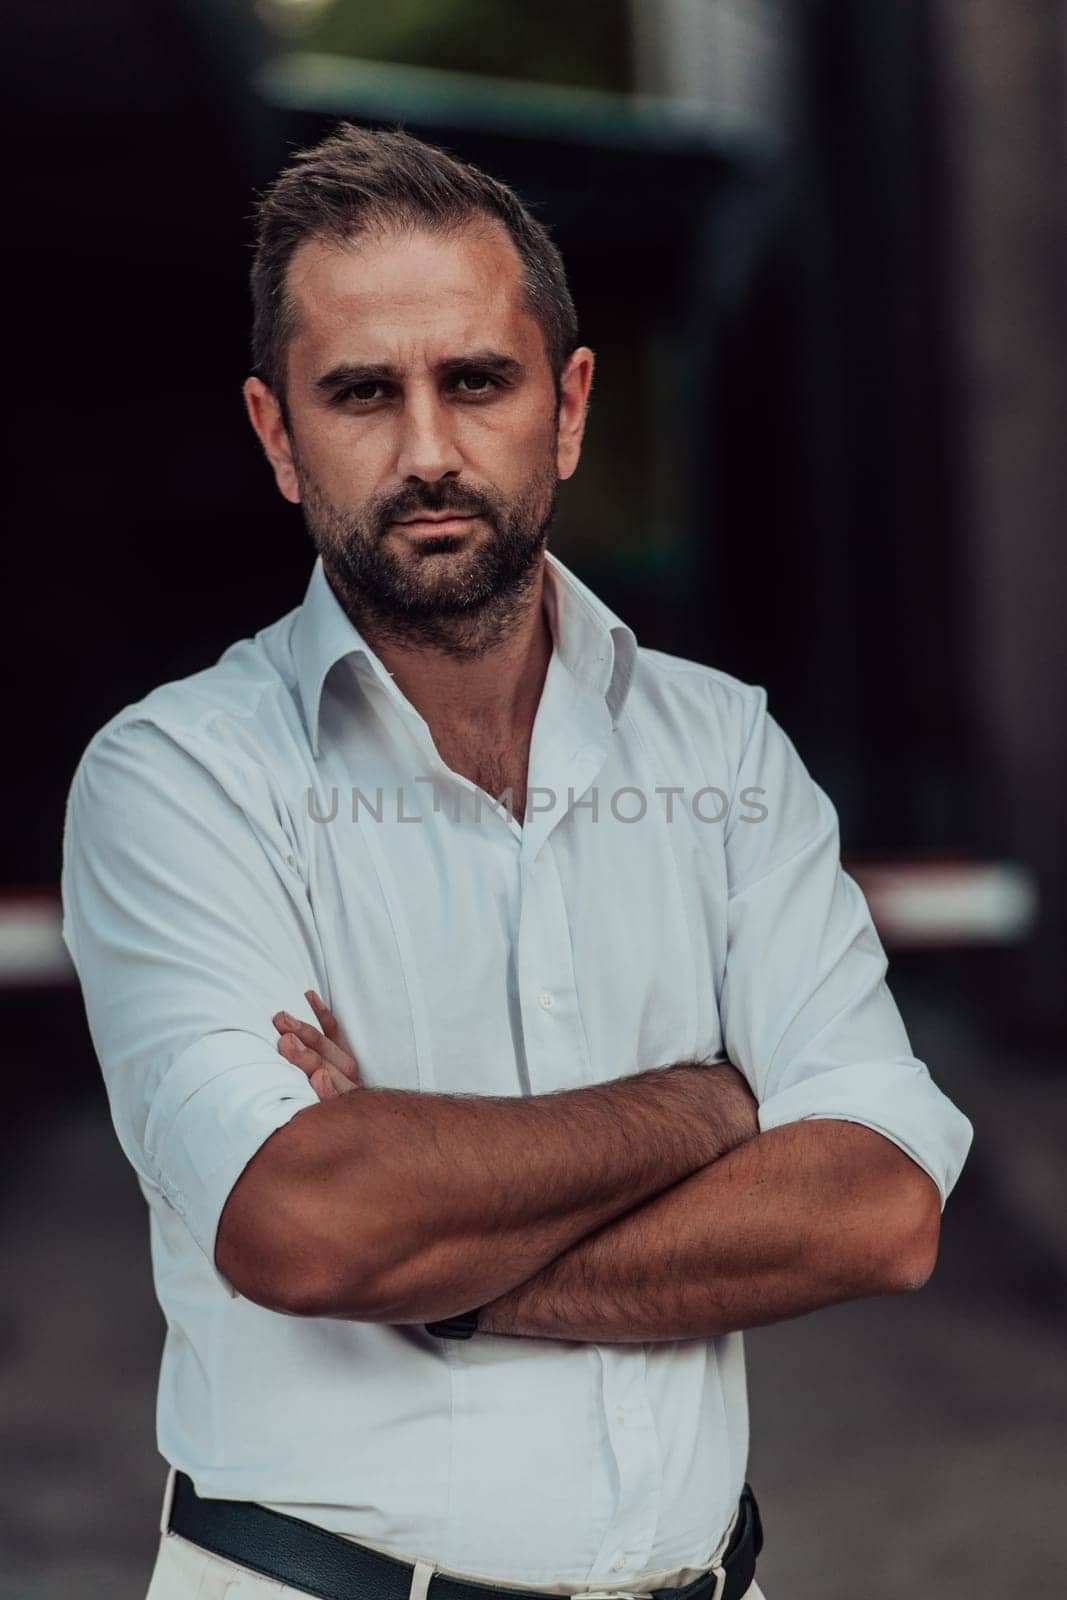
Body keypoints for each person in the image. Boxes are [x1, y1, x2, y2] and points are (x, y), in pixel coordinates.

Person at [60, 124, 973, 1600]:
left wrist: (450, 1279)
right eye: (362, 392)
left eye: (476, 380)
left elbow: (878, 1206)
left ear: (568, 405)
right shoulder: (178, 780)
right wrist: (711, 1101)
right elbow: (308, 1218)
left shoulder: (725, 753)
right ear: (277, 435)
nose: (427, 450)